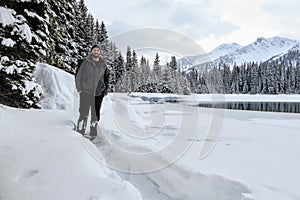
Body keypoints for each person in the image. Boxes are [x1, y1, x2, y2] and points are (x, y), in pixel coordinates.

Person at [75, 44, 109, 141]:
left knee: (95, 115)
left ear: (100, 52)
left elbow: (106, 79)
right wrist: (80, 89)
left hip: (98, 94)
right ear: (91, 51)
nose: (96, 52)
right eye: (94, 50)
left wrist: (105, 90)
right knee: (83, 113)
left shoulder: (103, 65)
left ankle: (93, 134)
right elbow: (78, 76)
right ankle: (80, 133)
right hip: (86, 92)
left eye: (98, 50)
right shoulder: (85, 63)